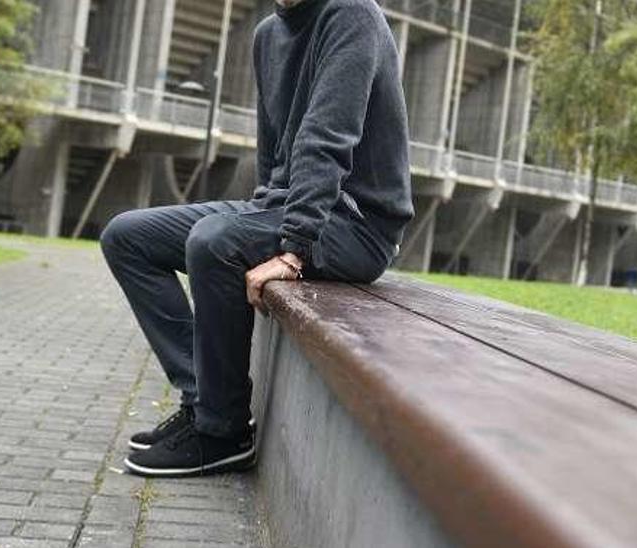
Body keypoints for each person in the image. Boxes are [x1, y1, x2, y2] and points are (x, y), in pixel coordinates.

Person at [100, 0, 412, 477]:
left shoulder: (351, 13)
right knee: (127, 237)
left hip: (356, 224)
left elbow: (327, 136)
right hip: (286, 207)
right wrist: (262, 215)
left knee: (214, 241)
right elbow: (273, 154)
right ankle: (202, 398)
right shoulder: (269, 33)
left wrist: (293, 248)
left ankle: (221, 432)